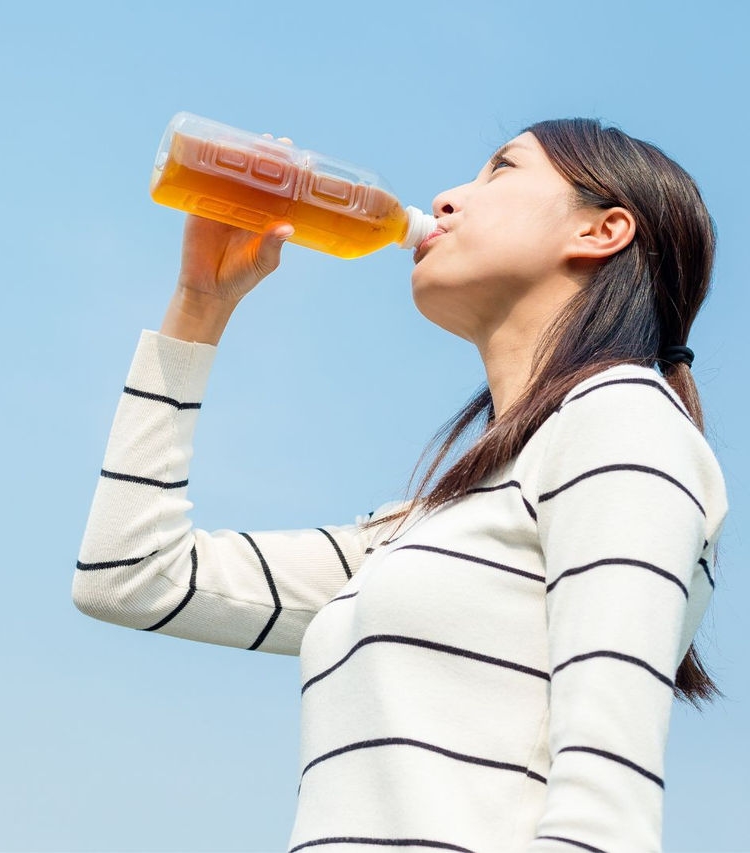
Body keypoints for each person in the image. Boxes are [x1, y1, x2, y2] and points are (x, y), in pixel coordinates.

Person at [72, 118, 728, 852]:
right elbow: (130, 575)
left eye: (500, 170)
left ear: (601, 231)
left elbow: (607, 816)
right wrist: (200, 303)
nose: (446, 199)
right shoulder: (423, 529)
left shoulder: (623, 421)